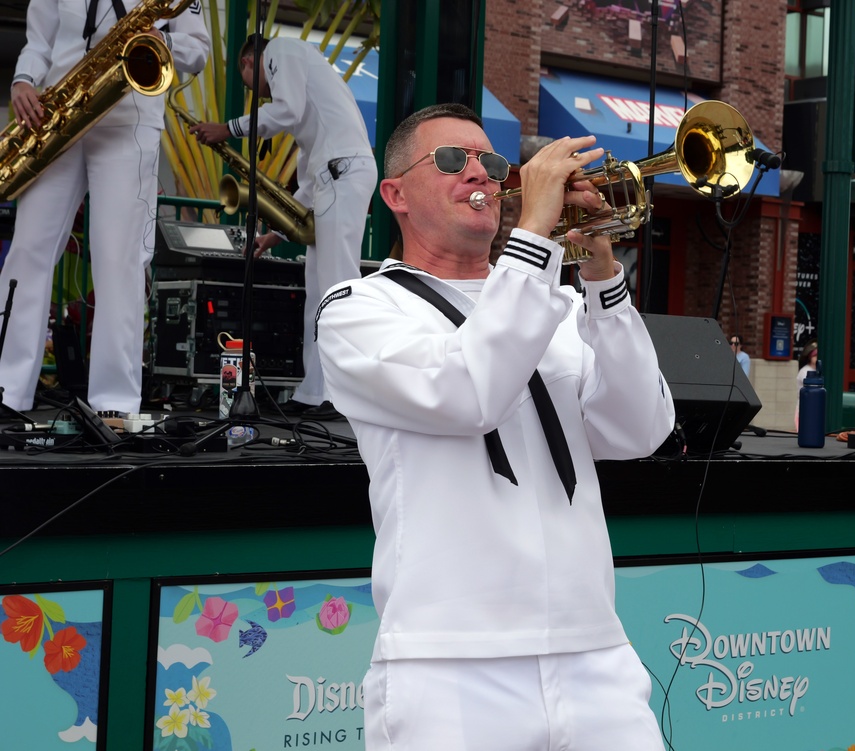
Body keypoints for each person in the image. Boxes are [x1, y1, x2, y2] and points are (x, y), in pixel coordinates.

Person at [316, 103, 675, 751]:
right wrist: (535, 236)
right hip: (450, 663)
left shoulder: (553, 298)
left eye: (493, 160)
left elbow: (639, 427)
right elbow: (467, 392)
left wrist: (599, 271)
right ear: (394, 194)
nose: (479, 172)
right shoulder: (360, 309)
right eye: (453, 159)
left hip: (594, 649)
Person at [0, 0, 209, 416]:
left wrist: (159, 39)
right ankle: (7, 390)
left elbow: (198, 50)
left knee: (120, 262)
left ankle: (114, 404)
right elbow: (39, 42)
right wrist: (23, 80)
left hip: (128, 117)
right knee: (27, 253)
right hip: (58, 116)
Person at [190, 34, 377, 418]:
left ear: (247, 61)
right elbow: (308, 175)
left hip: (342, 173)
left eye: (251, 84)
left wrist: (228, 129)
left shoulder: (281, 50)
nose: (259, 94)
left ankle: (340, 395)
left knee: (336, 288)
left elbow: (286, 112)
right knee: (319, 293)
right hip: (333, 174)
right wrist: (275, 233)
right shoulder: (310, 90)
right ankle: (315, 392)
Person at [795, 342, 819, 429]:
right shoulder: (805, 371)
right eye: (814, 355)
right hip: (804, 407)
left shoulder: (818, 371)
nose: (816, 358)